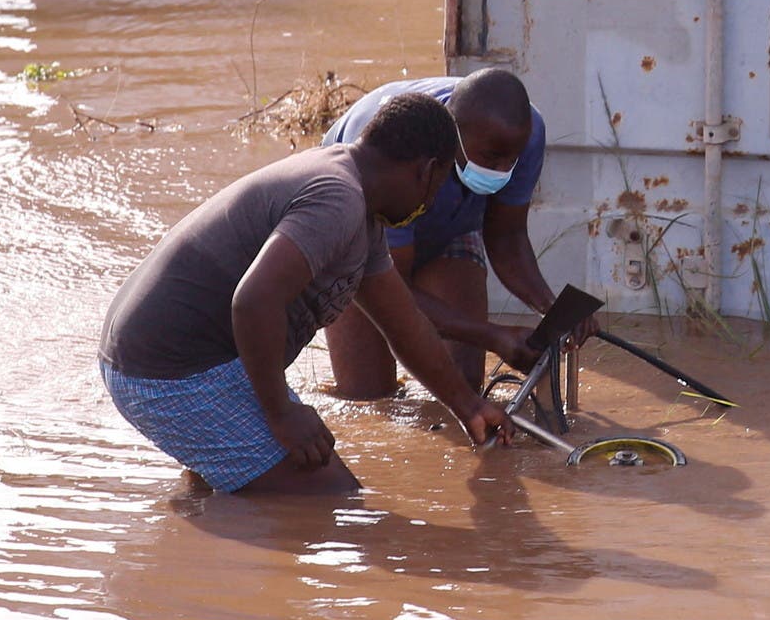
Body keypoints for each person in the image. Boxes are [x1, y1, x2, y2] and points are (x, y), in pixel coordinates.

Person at [97, 90, 510, 495]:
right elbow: (255, 300)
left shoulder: (361, 207)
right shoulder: (337, 199)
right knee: (329, 501)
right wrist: (281, 413)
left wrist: (468, 407)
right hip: (168, 372)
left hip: (180, 358)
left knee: (268, 492)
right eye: (435, 189)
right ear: (425, 170)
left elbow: (403, 325)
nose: (429, 203)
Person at [320, 67, 571, 399]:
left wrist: (554, 311)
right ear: (451, 139)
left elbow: (507, 237)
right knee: (367, 396)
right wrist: (492, 335)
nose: (504, 170)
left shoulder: (524, 132)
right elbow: (393, 290)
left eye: (513, 159)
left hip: (449, 228)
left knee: (465, 385)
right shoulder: (401, 150)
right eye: (492, 158)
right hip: (363, 237)